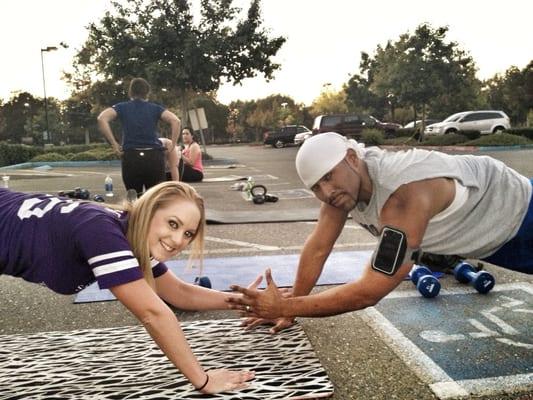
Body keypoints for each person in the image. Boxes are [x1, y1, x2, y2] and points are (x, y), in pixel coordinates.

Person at [227, 131, 533, 330]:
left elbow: (369, 291)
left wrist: (286, 304)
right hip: (491, 240)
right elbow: (318, 246)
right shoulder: (342, 190)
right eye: (316, 187)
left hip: (520, 212)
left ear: (351, 158)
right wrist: (289, 310)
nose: (326, 191)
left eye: (329, 177)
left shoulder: (402, 196)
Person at [0, 181, 255, 394]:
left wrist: (246, 300)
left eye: (188, 234)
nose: (178, 240)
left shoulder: (126, 233)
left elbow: (179, 293)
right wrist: (204, 380)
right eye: (172, 224)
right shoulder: (103, 233)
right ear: (148, 210)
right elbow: (153, 313)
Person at [97, 77, 181, 195]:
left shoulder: (122, 107)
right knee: (154, 197)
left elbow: (102, 118)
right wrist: (173, 143)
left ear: (130, 92)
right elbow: (175, 121)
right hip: (153, 157)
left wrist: (114, 143)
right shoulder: (155, 108)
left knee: (133, 196)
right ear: (147, 92)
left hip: (131, 156)